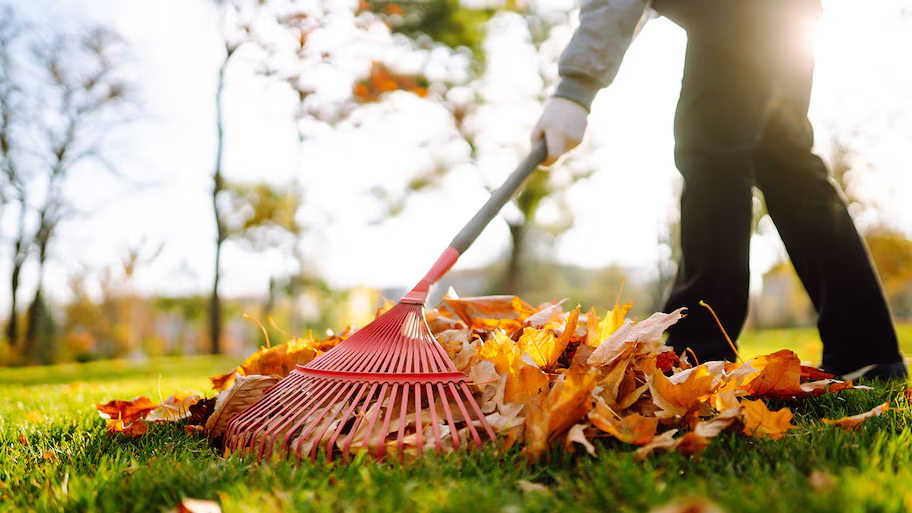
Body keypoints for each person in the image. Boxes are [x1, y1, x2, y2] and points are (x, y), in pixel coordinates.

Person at [532, 0, 908, 380]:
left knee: (713, 156)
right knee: (787, 163)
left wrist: (574, 89)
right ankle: (867, 349)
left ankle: (697, 354)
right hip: (787, 17)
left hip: (733, 12)